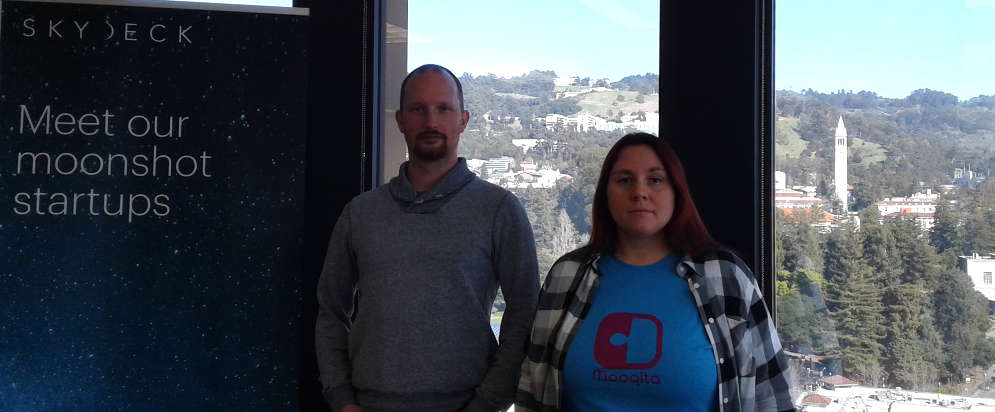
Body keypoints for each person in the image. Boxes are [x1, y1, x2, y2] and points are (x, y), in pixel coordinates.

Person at [314, 64, 539, 412]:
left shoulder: (500, 210)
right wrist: (341, 399)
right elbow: (331, 311)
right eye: (418, 109)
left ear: (463, 120)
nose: (430, 121)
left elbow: (525, 315)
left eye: (443, 109)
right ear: (400, 120)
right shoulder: (360, 213)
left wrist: (487, 403)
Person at [516, 133, 795, 412]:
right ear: (605, 195)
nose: (639, 192)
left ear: (677, 192)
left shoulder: (727, 278)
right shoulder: (567, 275)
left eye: (655, 180)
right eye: (624, 180)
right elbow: (532, 390)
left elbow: (773, 398)